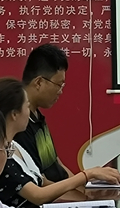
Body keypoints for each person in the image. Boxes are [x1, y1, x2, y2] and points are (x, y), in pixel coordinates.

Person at [0, 77, 120, 208]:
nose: (29, 113)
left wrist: (87, 197)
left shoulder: (15, 146)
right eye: (27, 107)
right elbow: (38, 195)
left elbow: (43, 182)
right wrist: (86, 175)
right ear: (14, 114)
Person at [18, 43, 87, 184]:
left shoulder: (38, 117)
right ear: (39, 82)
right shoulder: (19, 124)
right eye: (59, 85)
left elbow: (56, 164)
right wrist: (82, 190)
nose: (60, 91)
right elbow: (40, 183)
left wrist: (85, 187)